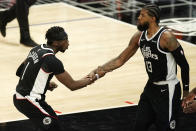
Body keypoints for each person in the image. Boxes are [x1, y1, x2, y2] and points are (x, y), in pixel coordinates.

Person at [90, 4, 190, 131]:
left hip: (168, 89)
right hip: (150, 88)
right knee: (139, 125)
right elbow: (120, 59)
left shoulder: (166, 38)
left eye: (143, 15)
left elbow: (184, 65)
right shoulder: (139, 36)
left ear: (153, 18)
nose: (138, 17)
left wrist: (186, 93)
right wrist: (99, 70)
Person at [13, 26, 97, 131]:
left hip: (19, 98)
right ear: (56, 43)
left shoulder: (36, 49)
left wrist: (44, 83)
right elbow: (72, 85)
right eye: (66, 40)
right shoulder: (52, 61)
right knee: (53, 127)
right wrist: (95, 77)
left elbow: (20, 71)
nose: (68, 43)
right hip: (29, 101)